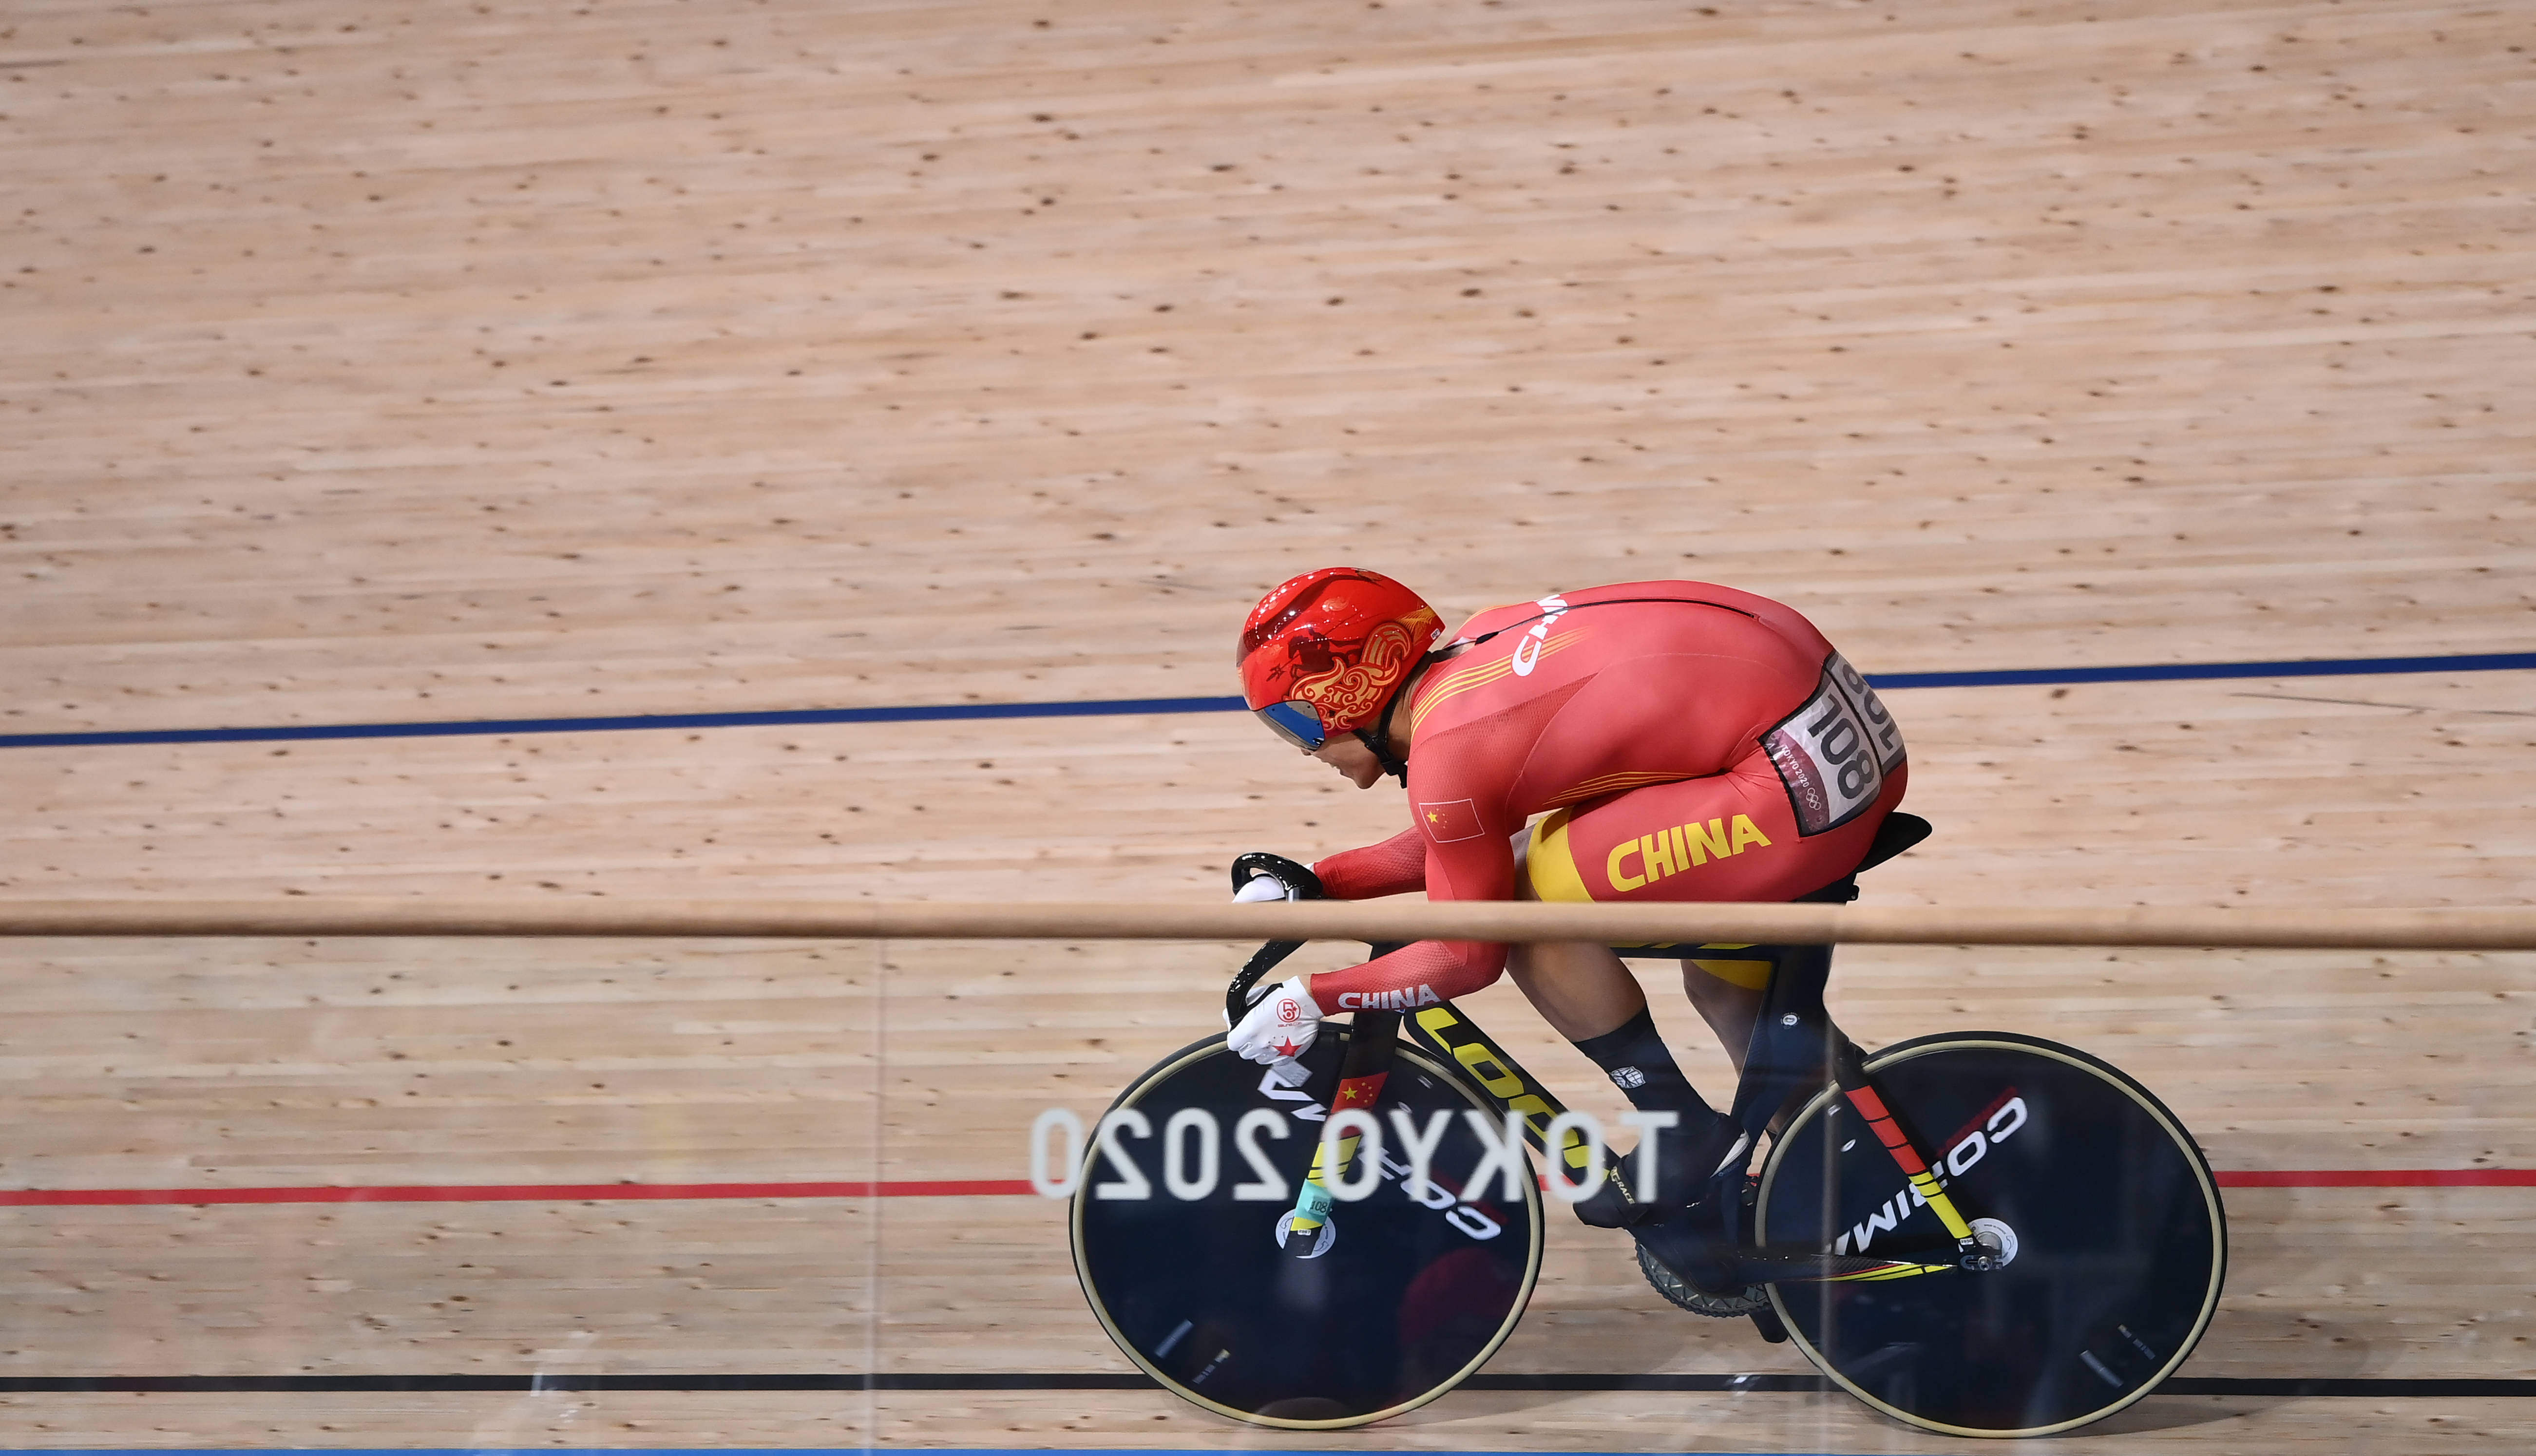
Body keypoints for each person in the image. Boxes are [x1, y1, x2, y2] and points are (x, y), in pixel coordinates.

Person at [1225, 567, 1908, 1292]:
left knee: (1525, 899)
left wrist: (1315, 995)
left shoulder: (1451, 751)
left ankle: (1677, 1124)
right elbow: (1468, 828)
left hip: (1788, 782)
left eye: (1298, 724)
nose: (1304, 749)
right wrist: (1323, 879)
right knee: (1730, 997)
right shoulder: (1476, 657)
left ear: (1350, 691)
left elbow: (1468, 953)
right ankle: (1858, 1160)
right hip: (1838, 740)